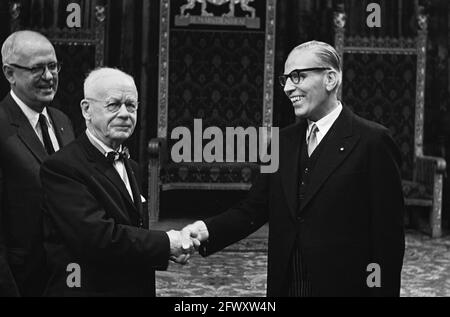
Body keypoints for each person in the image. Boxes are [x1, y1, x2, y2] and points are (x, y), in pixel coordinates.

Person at [181, 41, 405, 297]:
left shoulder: (373, 141)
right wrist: (206, 229)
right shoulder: (281, 142)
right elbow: (253, 209)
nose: (288, 88)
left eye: (298, 76)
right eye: (285, 79)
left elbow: (388, 240)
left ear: (330, 78)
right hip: (288, 285)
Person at [40, 67, 196, 296]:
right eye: (113, 105)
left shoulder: (133, 166)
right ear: (86, 110)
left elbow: (133, 232)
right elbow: (97, 239)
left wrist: (166, 249)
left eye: (131, 105)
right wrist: (166, 243)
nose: (125, 113)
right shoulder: (62, 167)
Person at [0, 30, 75, 296]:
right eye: (37, 68)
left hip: (66, 276)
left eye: (53, 66)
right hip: (22, 280)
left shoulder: (63, 121)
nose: (48, 76)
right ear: (10, 74)